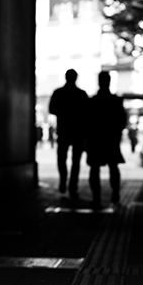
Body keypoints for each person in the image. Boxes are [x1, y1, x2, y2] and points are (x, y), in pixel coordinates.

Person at [85, 71, 127, 208]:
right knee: (113, 167)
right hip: (111, 138)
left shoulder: (92, 102)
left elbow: (87, 122)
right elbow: (122, 121)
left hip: (96, 139)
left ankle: (96, 197)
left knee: (94, 168)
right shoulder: (115, 101)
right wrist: (117, 133)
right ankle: (115, 194)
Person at [48, 69, 88, 199]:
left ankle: (63, 181)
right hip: (77, 132)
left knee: (61, 159)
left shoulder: (59, 93)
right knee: (76, 161)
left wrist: (64, 112)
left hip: (64, 130)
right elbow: (86, 114)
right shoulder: (81, 94)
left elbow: (52, 109)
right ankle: (72, 186)